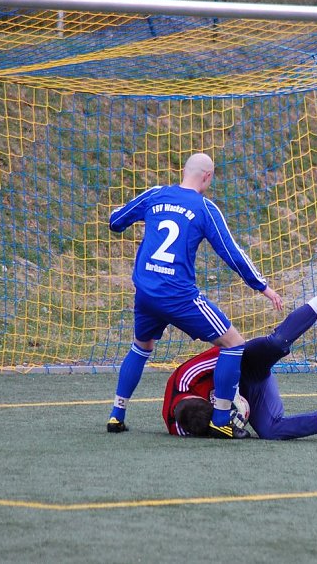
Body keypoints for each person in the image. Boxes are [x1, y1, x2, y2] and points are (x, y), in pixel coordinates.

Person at [107, 152, 283, 438]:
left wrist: (119, 214)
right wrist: (262, 286)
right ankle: (222, 418)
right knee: (234, 344)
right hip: (178, 295)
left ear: (184, 171)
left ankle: (117, 413)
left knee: (141, 346)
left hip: (146, 293)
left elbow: (116, 221)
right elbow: (231, 252)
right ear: (207, 176)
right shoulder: (204, 208)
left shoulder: (155, 195)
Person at [163, 272, 317, 441]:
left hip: (243, 362)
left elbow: (231, 350)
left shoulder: (186, 377)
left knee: (277, 343)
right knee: (271, 431)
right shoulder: (179, 427)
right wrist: (229, 425)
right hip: (246, 391)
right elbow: (203, 432)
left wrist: (231, 395)